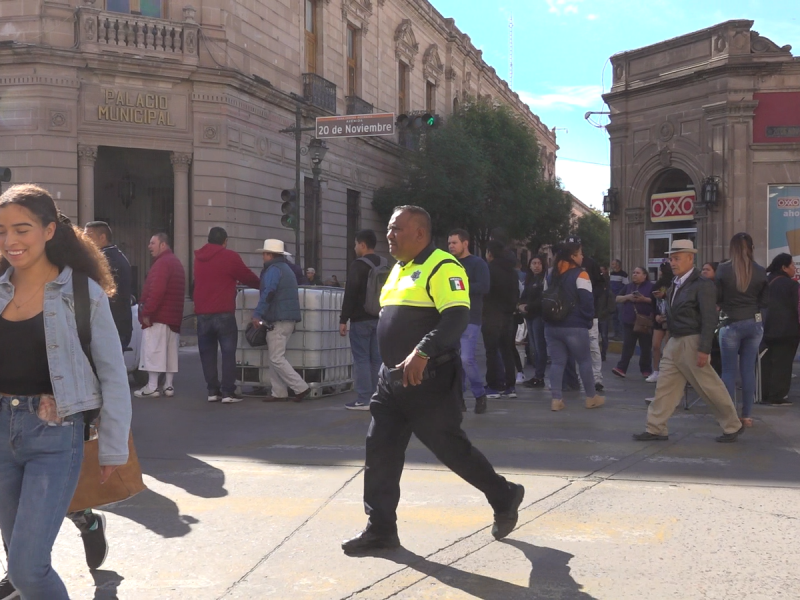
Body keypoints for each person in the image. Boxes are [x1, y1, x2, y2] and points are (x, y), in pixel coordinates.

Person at [341, 205, 524, 555]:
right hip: (391, 380)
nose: (389, 235)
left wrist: (423, 351)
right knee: (379, 451)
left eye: (396, 229)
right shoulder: (397, 269)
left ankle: (504, 494)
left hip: (431, 380)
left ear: (420, 233)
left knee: (452, 450)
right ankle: (381, 529)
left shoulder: (443, 265)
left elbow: (457, 315)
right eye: (390, 229)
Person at [0, 184, 131, 599]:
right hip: (1, 433)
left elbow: (112, 373)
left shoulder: (81, 292)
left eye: (22, 229)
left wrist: (112, 448)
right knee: (17, 562)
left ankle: (87, 523)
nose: (10, 241)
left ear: (50, 230)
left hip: (56, 433)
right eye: (2, 231)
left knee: (27, 571)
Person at [633, 240, 744, 443]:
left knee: (708, 386)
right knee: (665, 386)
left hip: (692, 340)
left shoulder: (702, 284)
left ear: (690, 258)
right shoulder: (676, 284)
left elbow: (709, 317)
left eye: (676, 258)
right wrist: (665, 319)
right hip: (675, 339)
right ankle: (656, 428)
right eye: (671, 258)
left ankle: (732, 425)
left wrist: (704, 348)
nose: (672, 262)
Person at [193, 227, 260, 404]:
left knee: (207, 353)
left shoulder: (198, 258)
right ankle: (228, 392)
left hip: (202, 313)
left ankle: (212, 391)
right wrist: (263, 285)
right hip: (223, 312)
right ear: (225, 241)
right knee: (228, 352)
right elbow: (247, 276)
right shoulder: (229, 256)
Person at [543, 240, 603, 412]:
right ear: (572, 256)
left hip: (552, 325)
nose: (582, 256)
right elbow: (587, 301)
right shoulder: (580, 275)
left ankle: (556, 399)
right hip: (575, 325)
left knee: (557, 362)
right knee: (584, 361)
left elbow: (545, 297)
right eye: (579, 253)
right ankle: (591, 397)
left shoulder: (550, 274)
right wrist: (587, 320)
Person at [716, 233, 768, 428]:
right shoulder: (761, 271)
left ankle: (730, 416)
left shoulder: (722, 269)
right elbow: (765, 301)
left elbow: (718, 297)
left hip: (731, 322)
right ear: (751, 248)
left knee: (728, 371)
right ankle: (746, 415)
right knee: (747, 370)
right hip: (754, 324)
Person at [252, 239, 310, 403]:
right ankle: (278, 391)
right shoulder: (286, 269)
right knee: (275, 356)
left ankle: (300, 387)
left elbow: (269, 293)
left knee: (276, 358)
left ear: (270, 254)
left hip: (278, 318)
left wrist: (258, 313)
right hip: (288, 318)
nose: (263, 256)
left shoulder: (273, 270)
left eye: (264, 253)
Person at [134, 233, 186, 398]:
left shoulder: (161, 264)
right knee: (170, 351)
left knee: (153, 351)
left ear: (163, 245)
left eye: (152, 243)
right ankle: (168, 386)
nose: (149, 246)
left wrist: (147, 312)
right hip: (173, 317)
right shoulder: (176, 262)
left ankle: (152, 386)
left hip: (159, 316)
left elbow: (156, 291)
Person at [340, 229, 385, 411]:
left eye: (356, 244)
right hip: (381, 318)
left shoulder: (358, 265)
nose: (355, 247)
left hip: (360, 319)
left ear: (363, 245)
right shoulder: (384, 263)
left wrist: (344, 319)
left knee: (361, 359)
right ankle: (378, 395)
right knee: (377, 359)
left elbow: (350, 293)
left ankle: (364, 398)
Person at [448, 229, 490, 413]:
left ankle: (479, 395)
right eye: (449, 243)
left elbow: (484, 286)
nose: (451, 246)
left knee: (466, 359)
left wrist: (459, 286)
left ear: (465, 243)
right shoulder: (448, 263)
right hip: (450, 317)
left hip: (471, 317)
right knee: (455, 360)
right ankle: (458, 398)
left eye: (454, 243)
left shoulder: (477, 263)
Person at [482, 240, 520, 404]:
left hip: (491, 315)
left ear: (490, 254)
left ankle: (493, 385)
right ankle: (509, 386)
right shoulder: (512, 271)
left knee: (491, 351)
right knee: (507, 350)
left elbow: (486, 291)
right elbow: (516, 292)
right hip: (508, 315)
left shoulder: (489, 270)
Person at [84, 221, 132, 349]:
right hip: (118, 324)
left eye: (89, 236)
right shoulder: (117, 256)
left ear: (102, 237)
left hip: (110, 326)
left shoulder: (105, 261)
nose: (85, 240)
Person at [761, 253, 799, 406]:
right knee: (783, 363)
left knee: (767, 362)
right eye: (792, 265)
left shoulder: (765, 281)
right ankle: (777, 396)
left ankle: (764, 393)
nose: (795, 268)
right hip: (787, 330)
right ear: (784, 267)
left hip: (765, 328)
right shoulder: (792, 285)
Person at [611, 266, 654, 379]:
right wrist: (628, 297)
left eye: (638, 273)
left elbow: (655, 301)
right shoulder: (629, 286)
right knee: (627, 346)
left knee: (645, 347)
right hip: (629, 321)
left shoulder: (651, 287)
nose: (634, 274)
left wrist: (644, 299)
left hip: (644, 321)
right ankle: (621, 368)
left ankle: (646, 369)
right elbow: (617, 298)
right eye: (634, 272)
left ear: (644, 275)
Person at [520, 254, 547, 388]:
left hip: (538, 316)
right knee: (533, 347)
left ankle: (539, 376)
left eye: (539, 263)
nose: (536, 266)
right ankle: (537, 375)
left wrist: (528, 306)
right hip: (529, 316)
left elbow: (542, 299)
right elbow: (524, 295)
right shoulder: (529, 279)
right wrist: (520, 305)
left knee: (539, 348)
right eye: (534, 263)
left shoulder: (543, 280)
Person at [647, 262, 674, 383]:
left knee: (668, 347)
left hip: (670, 318)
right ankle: (656, 371)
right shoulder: (657, 284)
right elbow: (652, 301)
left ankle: (668, 371)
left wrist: (664, 295)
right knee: (655, 345)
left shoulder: (674, 283)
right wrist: (656, 315)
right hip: (659, 316)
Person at [596, 265, 615, 362]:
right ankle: (597, 354)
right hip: (596, 315)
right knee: (595, 336)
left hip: (603, 315)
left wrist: (606, 312)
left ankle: (603, 354)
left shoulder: (607, 288)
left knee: (603, 336)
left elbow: (611, 302)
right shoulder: (595, 288)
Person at [610, 259, 629, 339]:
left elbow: (626, 286)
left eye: (613, 264)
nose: (612, 265)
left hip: (620, 298)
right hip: (613, 298)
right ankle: (616, 334)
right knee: (614, 317)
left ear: (618, 265)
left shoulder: (623, 274)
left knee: (620, 317)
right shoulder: (611, 274)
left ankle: (622, 335)